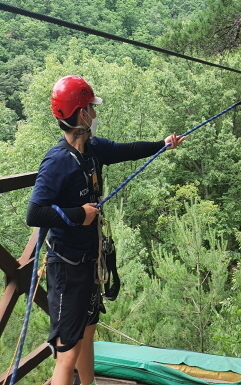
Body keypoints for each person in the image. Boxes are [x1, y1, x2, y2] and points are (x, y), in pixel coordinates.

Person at [26, 75, 184, 385]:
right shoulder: (58, 161)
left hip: (88, 262)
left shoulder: (92, 149)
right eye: (91, 109)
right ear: (81, 114)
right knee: (67, 351)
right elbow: (35, 212)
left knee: (87, 333)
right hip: (67, 268)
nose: (96, 115)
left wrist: (161, 146)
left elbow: (126, 150)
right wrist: (77, 214)